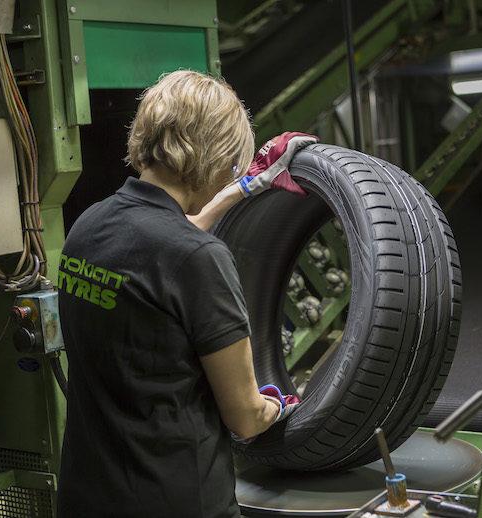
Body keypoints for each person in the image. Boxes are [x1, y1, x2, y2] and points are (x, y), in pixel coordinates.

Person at [56, 70, 313, 518]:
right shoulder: (200, 260)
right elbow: (245, 418)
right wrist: (282, 403)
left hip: (87, 495)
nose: (229, 174)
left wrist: (243, 189)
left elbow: (159, 246)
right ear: (212, 154)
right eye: (232, 164)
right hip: (178, 500)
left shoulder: (88, 226)